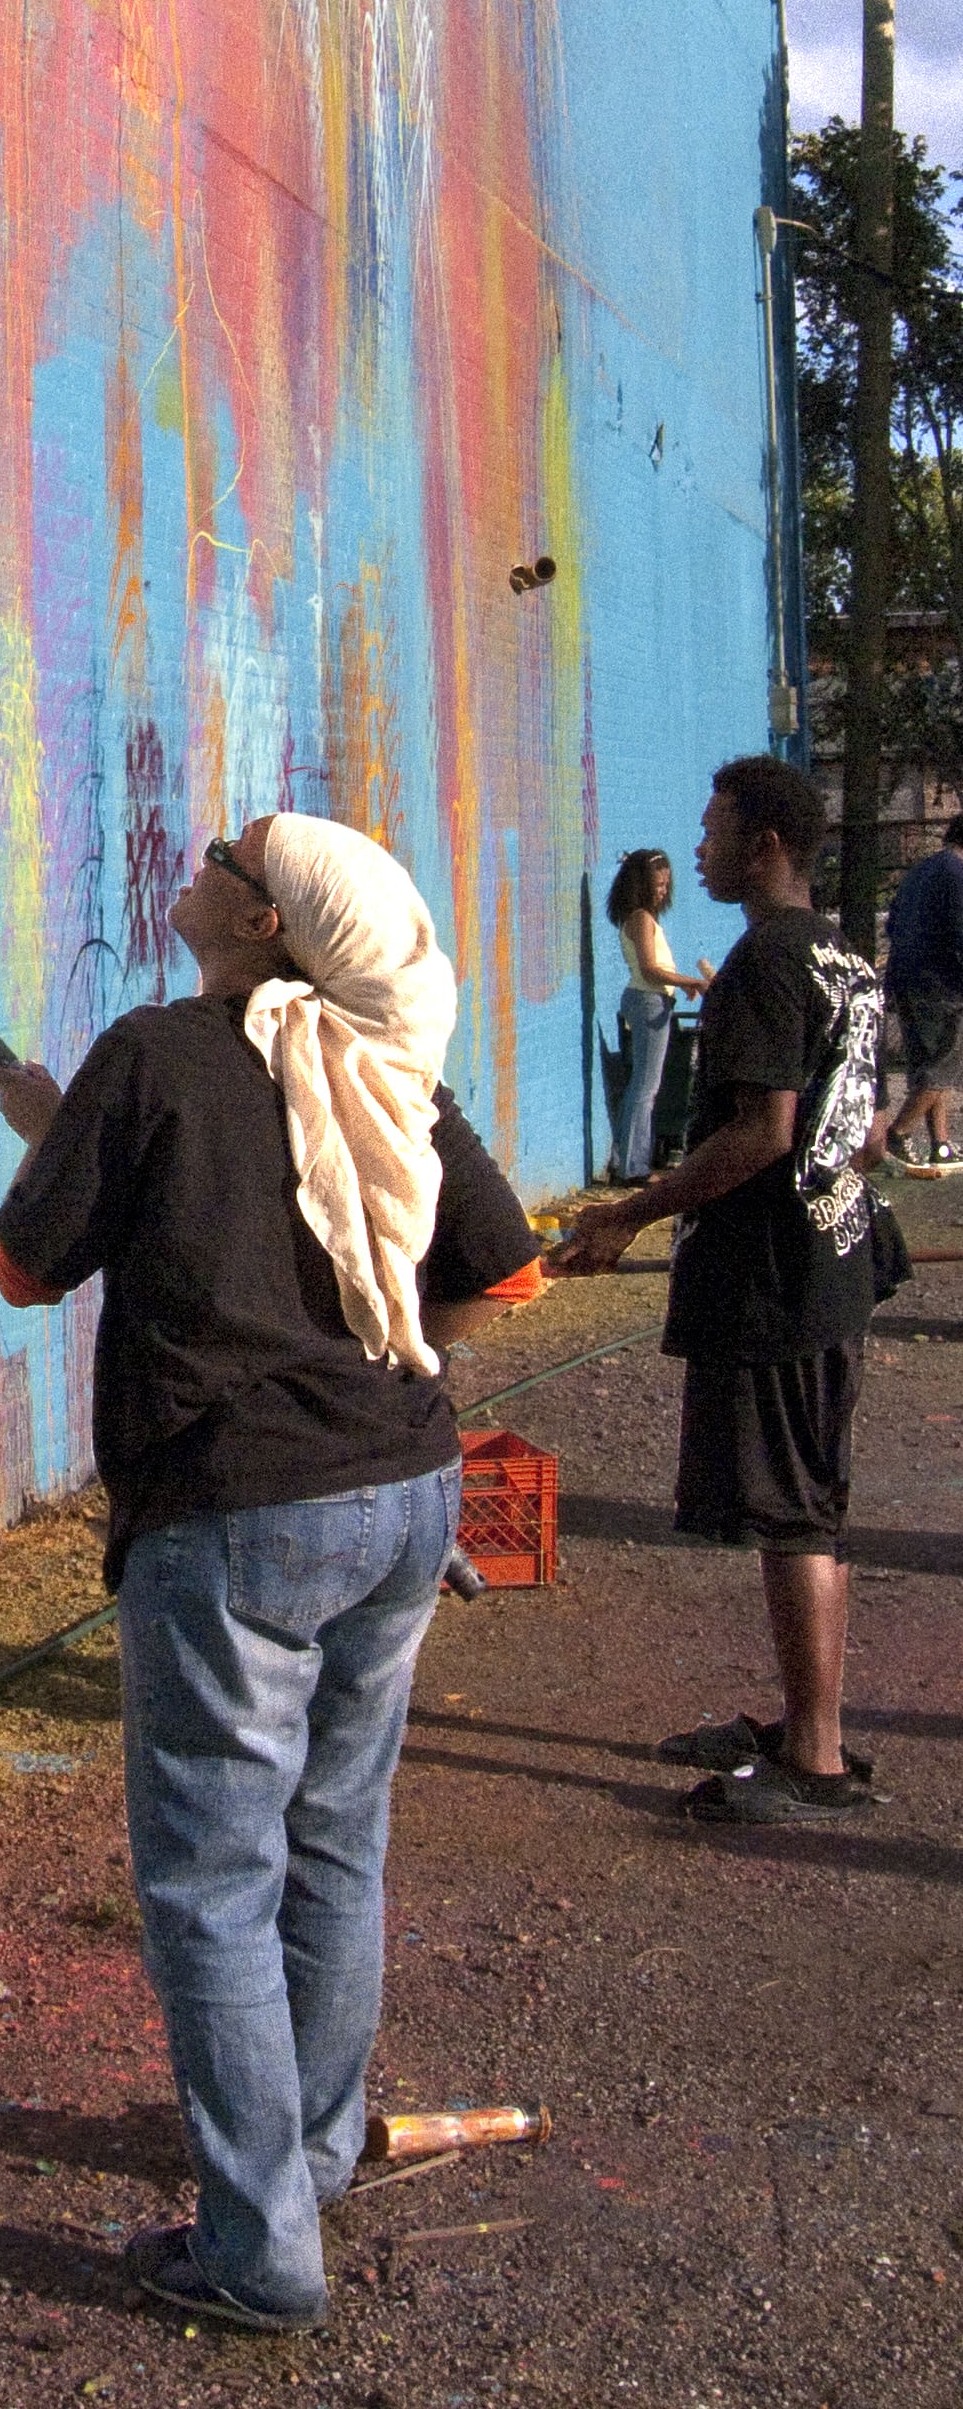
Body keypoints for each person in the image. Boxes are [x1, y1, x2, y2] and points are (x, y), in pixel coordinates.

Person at [0, 815, 538, 2335]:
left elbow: (30, 1269)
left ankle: (260, 2251)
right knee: (335, 1845)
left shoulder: (154, 1055)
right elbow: (505, 1265)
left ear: (267, 921)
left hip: (237, 1518)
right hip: (406, 1487)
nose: (209, 853)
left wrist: (60, 1133)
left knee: (215, 1885)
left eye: (236, 852)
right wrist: (365, 1375)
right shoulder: (383, 1070)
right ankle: (309, 2158)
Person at [555, 755, 882, 1823]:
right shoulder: (848, 960)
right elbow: (860, 1130)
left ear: (767, 843)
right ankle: (802, 1722)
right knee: (809, 1506)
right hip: (833, 1270)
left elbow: (764, 1131)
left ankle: (816, 1760)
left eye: (714, 831)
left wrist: (628, 1213)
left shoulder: (764, 965)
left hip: (782, 1283)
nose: (697, 850)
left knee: (793, 1517)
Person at [605, 847, 709, 1184]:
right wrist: (691, 981)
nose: (663, 891)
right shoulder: (641, 919)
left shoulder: (641, 918)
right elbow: (651, 969)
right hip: (649, 1000)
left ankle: (626, 1161)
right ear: (641, 884)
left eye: (666, 885)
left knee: (643, 1085)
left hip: (652, 1000)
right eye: (657, 885)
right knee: (646, 1087)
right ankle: (633, 1168)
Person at [869, 810, 963, 1169]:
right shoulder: (957, 875)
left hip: (905, 978)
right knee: (945, 1067)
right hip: (944, 985)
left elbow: (893, 924)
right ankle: (896, 1135)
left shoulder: (921, 872)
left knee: (926, 1065)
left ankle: (940, 1144)